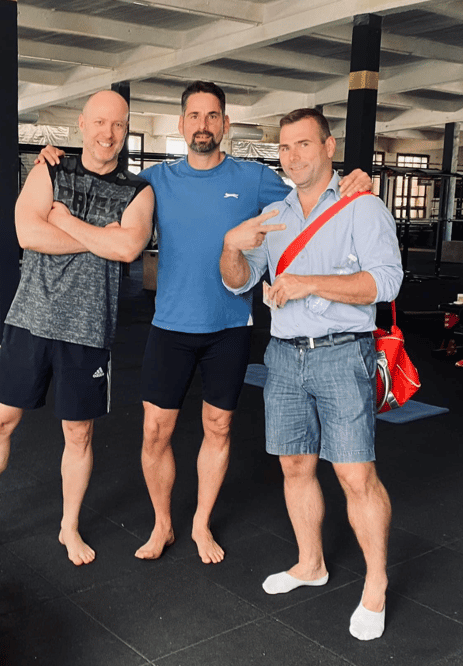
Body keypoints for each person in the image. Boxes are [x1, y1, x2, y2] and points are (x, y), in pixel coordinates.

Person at [37, 81, 373, 564]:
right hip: (170, 327)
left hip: (229, 329)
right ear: (181, 124)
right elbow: (100, 175)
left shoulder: (254, 178)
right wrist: (56, 162)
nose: (203, 125)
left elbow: (311, 191)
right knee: (155, 432)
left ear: (225, 124)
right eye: (194, 116)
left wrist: (353, 179)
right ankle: (163, 524)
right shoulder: (155, 180)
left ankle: (200, 524)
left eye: (212, 116)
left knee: (218, 428)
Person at [220, 108, 403, 640]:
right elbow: (238, 282)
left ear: (328, 146)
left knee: (355, 475)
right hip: (283, 357)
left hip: (343, 353)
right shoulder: (273, 215)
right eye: (284, 147)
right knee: (295, 466)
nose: (292, 155)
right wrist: (231, 246)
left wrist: (310, 283)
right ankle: (310, 563)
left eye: (303, 144)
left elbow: (386, 282)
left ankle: (376, 583)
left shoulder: (361, 205)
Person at [0, 90, 155, 566]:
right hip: (31, 319)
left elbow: (128, 249)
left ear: (126, 130)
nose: (108, 134)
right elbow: (28, 234)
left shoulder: (138, 191)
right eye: (99, 122)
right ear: (82, 124)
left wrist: (65, 221)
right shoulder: (50, 170)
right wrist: (101, 237)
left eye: (118, 125)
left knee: (78, 434)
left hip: (88, 330)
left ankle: (69, 526)